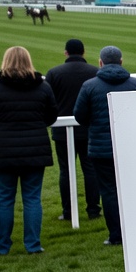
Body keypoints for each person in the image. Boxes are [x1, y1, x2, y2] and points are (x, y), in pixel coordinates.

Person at [0, 46, 57, 255]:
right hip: (35, 149)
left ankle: (1, 246)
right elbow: (51, 116)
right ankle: (33, 244)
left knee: (4, 199)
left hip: (4, 149)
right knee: (32, 198)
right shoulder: (43, 87)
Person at [74, 46, 136, 247]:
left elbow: (80, 116)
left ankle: (116, 235)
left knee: (108, 192)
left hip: (101, 149)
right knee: (132, 191)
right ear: (121, 62)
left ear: (100, 62)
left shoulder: (90, 86)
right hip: (130, 147)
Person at [45, 38, 100, 222]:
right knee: (90, 170)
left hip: (62, 130)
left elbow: (49, 102)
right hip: (88, 129)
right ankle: (93, 210)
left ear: (66, 53)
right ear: (84, 52)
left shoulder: (54, 73)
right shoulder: (94, 72)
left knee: (66, 171)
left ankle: (68, 211)